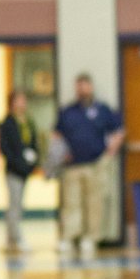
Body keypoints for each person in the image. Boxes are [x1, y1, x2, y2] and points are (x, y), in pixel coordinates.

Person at [54, 73, 125, 258]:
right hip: (72, 166)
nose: (82, 90)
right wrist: (61, 153)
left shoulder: (102, 110)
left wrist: (109, 153)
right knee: (71, 203)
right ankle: (70, 237)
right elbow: (56, 135)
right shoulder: (68, 112)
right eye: (79, 86)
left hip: (95, 165)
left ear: (91, 87)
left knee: (94, 203)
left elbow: (119, 131)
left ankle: (91, 238)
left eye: (85, 86)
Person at [0, 89, 39, 253]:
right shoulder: (8, 123)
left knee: (19, 204)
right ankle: (16, 237)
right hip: (13, 170)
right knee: (14, 204)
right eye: (19, 100)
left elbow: (33, 143)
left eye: (24, 100)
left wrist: (32, 161)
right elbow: (5, 148)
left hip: (25, 170)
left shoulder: (28, 122)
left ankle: (11, 238)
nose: (22, 103)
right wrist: (17, 162)